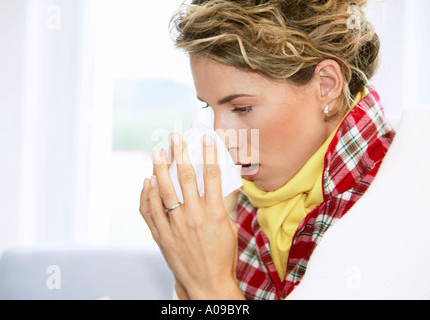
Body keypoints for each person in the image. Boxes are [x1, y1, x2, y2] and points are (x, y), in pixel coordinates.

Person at [139, 0, 396, 300]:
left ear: (326, 84)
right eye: (210, 107)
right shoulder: (244, 199)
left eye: (242, 108)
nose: (221, 137)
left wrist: (210, 285)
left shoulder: (394, 205)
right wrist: (187, 267)